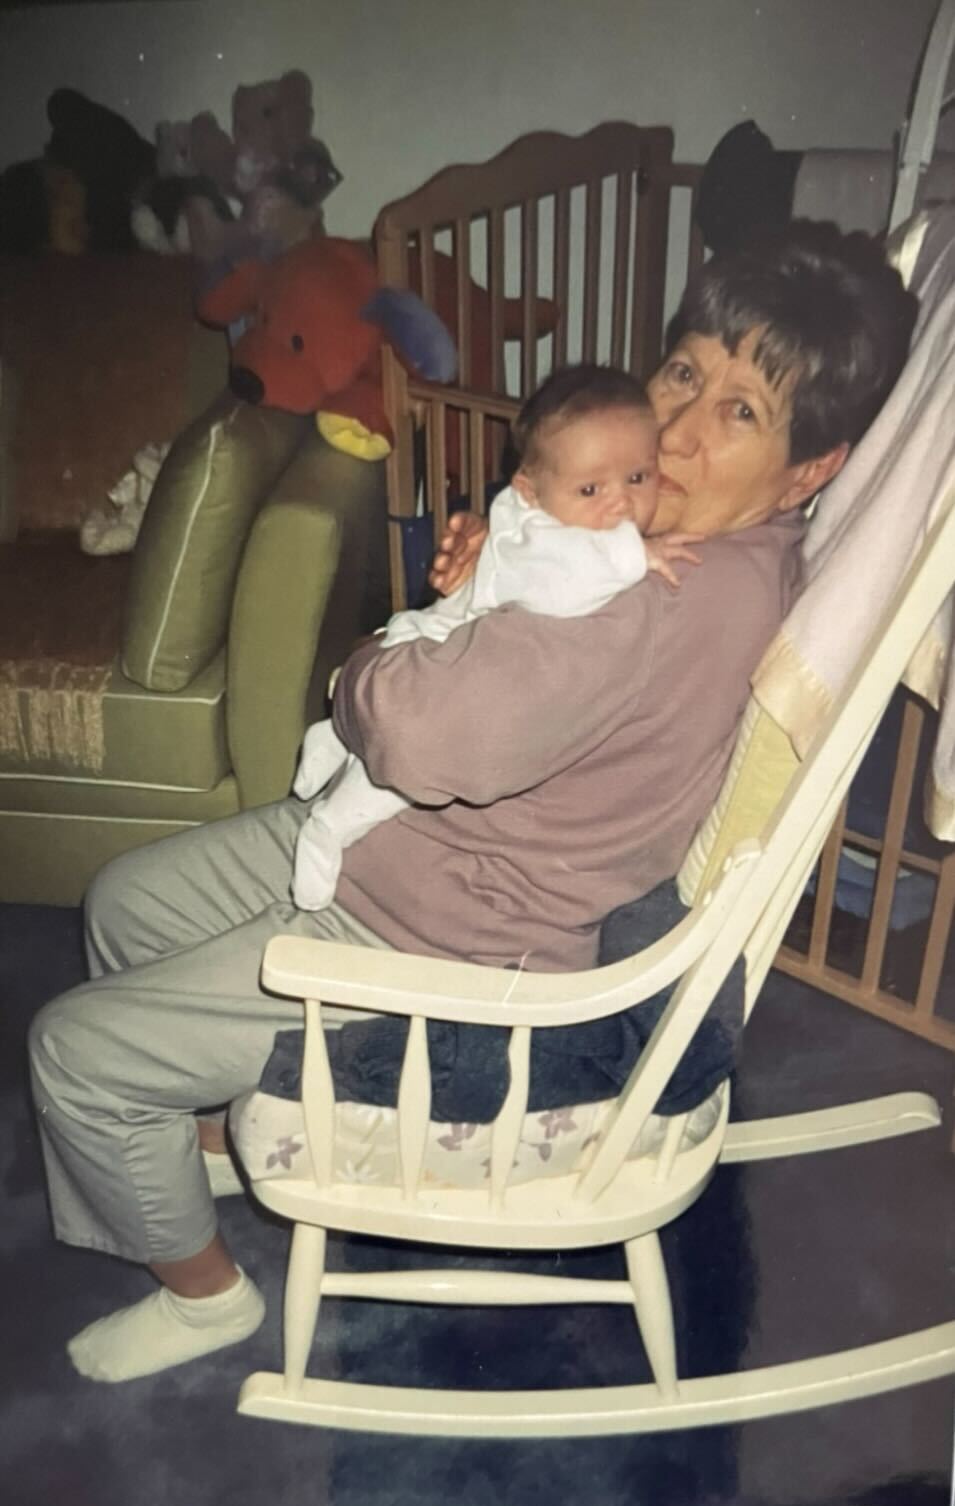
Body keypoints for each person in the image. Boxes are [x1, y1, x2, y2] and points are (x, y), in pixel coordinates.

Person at [28, 221, 917, 1383]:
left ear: (811, 470)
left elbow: (416, 732)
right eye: (684, 372)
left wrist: (362, 670)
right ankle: (196, 1142)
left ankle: (203, 1294)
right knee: (127, 901)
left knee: (73, 1051)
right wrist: (493, 562)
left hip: (435, 922)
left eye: (741, 412)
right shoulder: (675, 541)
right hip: (401, 846)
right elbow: (522, 638)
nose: (682, 433)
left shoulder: (662, 602)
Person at [291, 366, 701, 911]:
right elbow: (563, 583)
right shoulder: (546, 542)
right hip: (432, 650)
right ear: (531, 492)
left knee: (374, 718)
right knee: (396, 778)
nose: (620, 505)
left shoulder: (536, 514)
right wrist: (635, 555)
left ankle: (333, 736)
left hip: (426, 635)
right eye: (590, 488)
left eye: (637, 478)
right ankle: (328, 828)